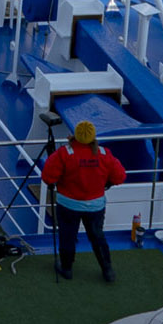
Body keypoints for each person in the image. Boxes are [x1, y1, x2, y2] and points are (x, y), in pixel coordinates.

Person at [43, 119, 126, 281]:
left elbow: (48, 177)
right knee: (97, 237)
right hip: (95, 206)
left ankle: (66, 269)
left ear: (75, 135)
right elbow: (120, 176)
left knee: (67, 236)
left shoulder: (65, 153)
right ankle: (107, 270)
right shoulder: (103, 154)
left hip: (68, 204)